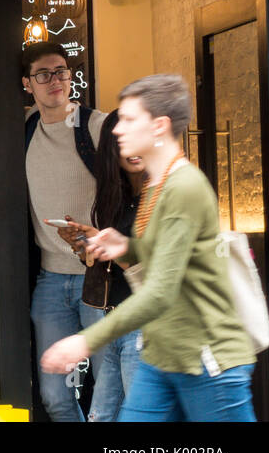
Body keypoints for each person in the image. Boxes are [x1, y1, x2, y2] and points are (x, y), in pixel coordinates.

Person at [41, 74, 256, 422]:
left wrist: (85, 341)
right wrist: (125, 246)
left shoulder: (184, 186)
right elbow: (165, 255)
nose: (117, 130)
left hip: (206, 357)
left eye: (128, 120)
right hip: (162, 352)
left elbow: (160, 291)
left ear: (159, 126)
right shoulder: (158, 183)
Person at [21, 40, 108, 421]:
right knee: (54, 394)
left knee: (109, 388)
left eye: (61, 71)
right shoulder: (23, 128)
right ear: (28, 84)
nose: (54, 80)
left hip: (99, 277)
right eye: (43, 74)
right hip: (52, 280)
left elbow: (132, 184)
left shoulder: (95, 125)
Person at [46, 111, 145, 422]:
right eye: (120, 141)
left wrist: (108, 244)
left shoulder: (162, 197)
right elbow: (112, 265)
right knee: (101, 417)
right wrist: (86, 245)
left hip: (143, 328)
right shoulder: (118, 198)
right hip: (113, 323)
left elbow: (156, 265)